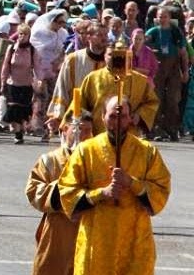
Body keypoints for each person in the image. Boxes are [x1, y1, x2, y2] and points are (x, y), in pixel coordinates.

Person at [58, 97, 171, 275]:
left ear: (130, 118)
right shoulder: (85, 150)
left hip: (134, 238)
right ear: (102, 117)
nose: (117, 122)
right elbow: (67, 191)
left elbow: (161, 190)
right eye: (112, 116)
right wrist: (101, 193)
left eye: (123, 116)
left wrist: (132, 183)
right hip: (97, 237)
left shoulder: (147, 151)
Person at [26, 109, 95, 275]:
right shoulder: (50, 160)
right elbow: (34, 191)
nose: (83, 135)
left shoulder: (97, 160)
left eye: (88, 131)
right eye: (78, 130)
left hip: (89, 231)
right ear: (65, 129)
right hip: (58, 233)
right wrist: (62, 186)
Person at [79, 40, 159, 136]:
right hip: (99, 133)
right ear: (104, 56)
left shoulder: (140, 80)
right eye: (110, 55)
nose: (115, 58)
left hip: (130, 134)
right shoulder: (92, 78)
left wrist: (139, 115)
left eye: (120, 55)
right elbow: (80, 105)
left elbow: (152, 102)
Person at [146, 7, 190, 141]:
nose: (162, 19)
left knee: (173, 99)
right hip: (157, 69)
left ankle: (172, 129)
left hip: (173, 69)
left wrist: (185, 71)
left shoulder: (176, 32)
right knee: (156, 98)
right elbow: (143, 48)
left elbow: (183, 53)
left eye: (165, 16)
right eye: (160, 16)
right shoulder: (152, 32)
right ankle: (156, 129)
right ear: (156, 18)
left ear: (169, 18)